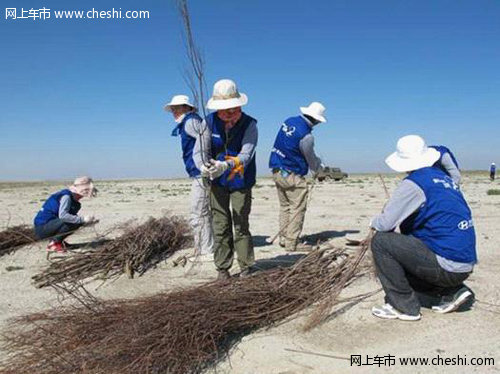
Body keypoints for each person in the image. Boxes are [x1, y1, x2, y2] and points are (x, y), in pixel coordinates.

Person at [369, 135, 477, 321]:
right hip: (463, 266)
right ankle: (452, 291)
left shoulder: (414, 183)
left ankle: (403, 307)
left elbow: (386, 224)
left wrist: (372, 222)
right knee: (410, 245)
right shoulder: (444, 179)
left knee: (381, 241)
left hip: (447, 267)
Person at [204, 79, 258, 280]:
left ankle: (246, 267)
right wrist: (204, 165)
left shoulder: (250, 124)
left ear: (239, 106)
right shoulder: (208, 122)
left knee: (240, 224)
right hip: (217, 182)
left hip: (240, 182)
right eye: (223, 110)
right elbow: (201, 149)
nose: (228, 115)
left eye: (231, 110)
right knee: (220, 224)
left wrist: (226, 165)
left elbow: (247, 154)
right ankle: (222, 269)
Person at [268, 102, 326, 251]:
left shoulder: (289, 121)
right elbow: (311, 159)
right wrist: (319, 171)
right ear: (316, 120)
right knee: (297, 208)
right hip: (292, 174)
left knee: (285, 207)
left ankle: (284, 238)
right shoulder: (306, 136)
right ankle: (292, 243)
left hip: (277, 170)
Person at [164, 94, 214, 255]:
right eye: (173, 109)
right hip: (199, 172)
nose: (174, 111)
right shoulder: (189, 121)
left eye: (177, 108)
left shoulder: (191, 121)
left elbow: (205, 139)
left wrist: (203, 163)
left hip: (201, 173)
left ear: (187, 108)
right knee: (203, 211)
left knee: (198, 211)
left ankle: (205, 249)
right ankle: (205, 246)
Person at [33, 177, 98, 253]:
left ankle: (59, 241)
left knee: (75, 221)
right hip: (42, 228)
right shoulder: (66, 197)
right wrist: (83, 220)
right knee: (75, 221)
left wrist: (86, 222)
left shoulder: (73, 200)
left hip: (49, 226)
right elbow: (63, 216)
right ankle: (54, 244)